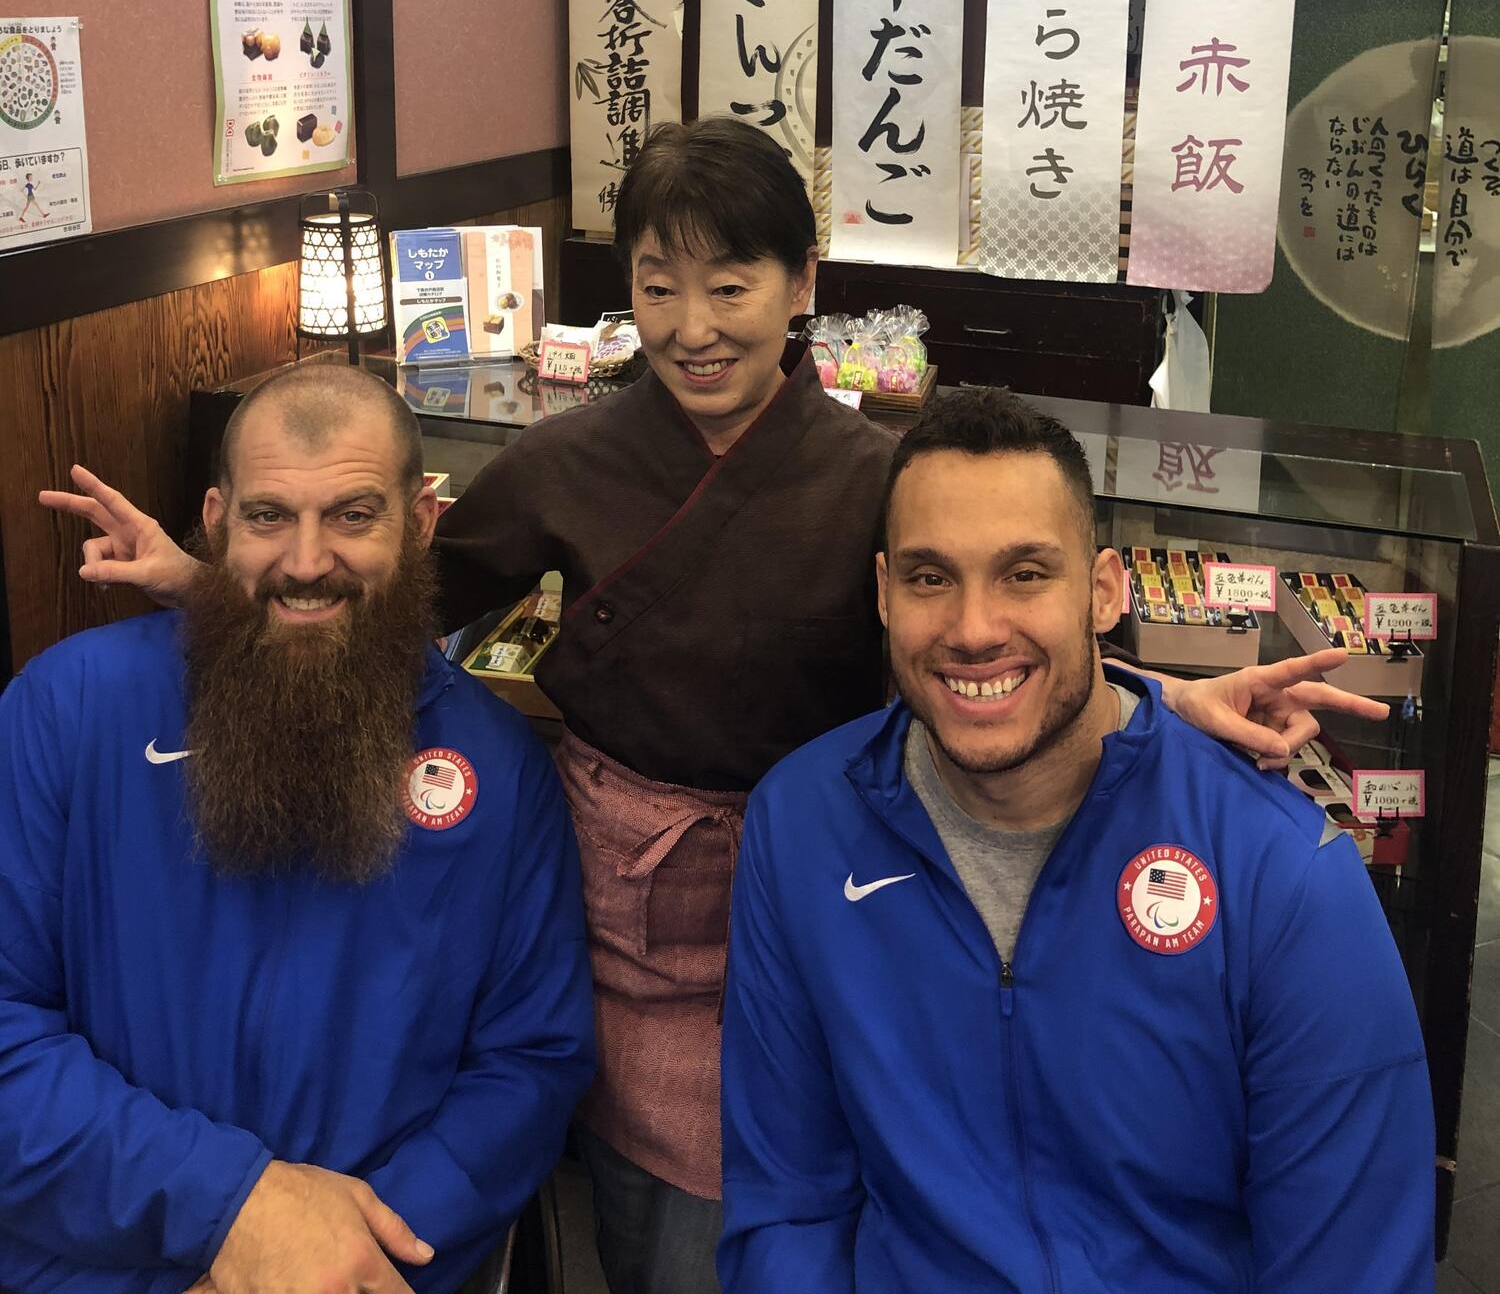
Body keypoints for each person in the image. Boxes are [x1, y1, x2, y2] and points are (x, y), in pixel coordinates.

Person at [43, 119, 1384, 1294]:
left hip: (832, 878)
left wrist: (1159, 704)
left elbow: (975, 637)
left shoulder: (874, 468)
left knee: (861, 1161)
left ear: (803, 286)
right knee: (649, 1207)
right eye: (656, 285)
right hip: (622, 907)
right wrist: (207, 585)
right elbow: (390, 595)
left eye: (732, 283)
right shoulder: (568, 456)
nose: (693, 327)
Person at [718, 387, 1433, 1294]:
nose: (974, 630)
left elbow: (1351, 1263)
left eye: (1025, 573)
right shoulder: (801, 827)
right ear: (885, 593)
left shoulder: (1282, 873)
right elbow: (789, 1200)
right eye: (932, 576)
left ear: (1102, 593)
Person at [12, 362, 595, 1294]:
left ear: (422, 523)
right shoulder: (67, 708)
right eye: (269, 516)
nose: (308, 559)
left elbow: (529, 1064)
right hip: (92, 1265)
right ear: (216, 518)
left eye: (354, 516)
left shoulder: (501, 771)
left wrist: (341, 1260)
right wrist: (231, 1208)